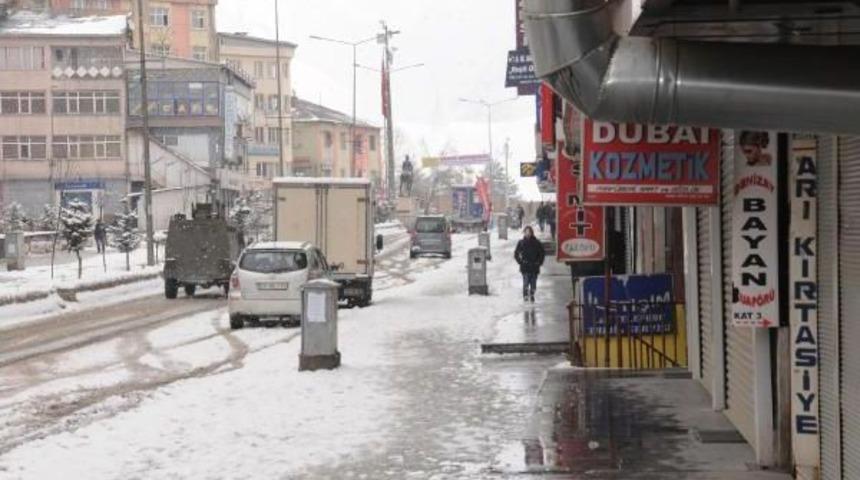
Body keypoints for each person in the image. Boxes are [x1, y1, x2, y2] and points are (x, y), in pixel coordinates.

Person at [514, 226, 545, 303]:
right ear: (524, 233)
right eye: (526, 232)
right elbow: (516, 254)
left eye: (529, 232)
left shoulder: (537, 242)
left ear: (531, 233)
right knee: (526, 282)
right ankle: (525, 296)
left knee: (533, 283)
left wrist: (539, 262)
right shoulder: (521, 243)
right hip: (525, 266)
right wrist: (520, 261)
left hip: (534, 267)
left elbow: (542, 253)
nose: (527, 234)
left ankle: (532, 294)